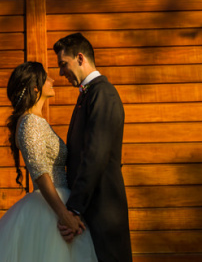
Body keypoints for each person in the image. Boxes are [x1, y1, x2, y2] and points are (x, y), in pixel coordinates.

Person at [0, 61, 98, 262]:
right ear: (35, 87)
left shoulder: (37, 121)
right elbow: (40, 172)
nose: (53, 80)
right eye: (46, 78)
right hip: (50, 208)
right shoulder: (30, 122)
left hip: (59, 201)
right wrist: (63, 215)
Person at [54, 32, 133, 262]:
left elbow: (96, 155)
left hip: (104, 211)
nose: (60, 73)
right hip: (91, 210)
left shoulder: (103, 94)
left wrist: (74, 209)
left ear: (80, 58)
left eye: (63, 64)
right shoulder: (87, 96)